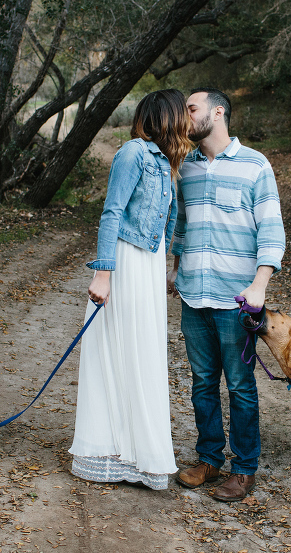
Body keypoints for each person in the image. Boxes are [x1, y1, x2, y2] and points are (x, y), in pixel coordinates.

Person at [69, 89, 194, 490]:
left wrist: (172, 266)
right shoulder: (133, 154)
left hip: (149, 264)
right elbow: (112, 212)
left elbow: (169, 220)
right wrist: (103, 274)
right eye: (184, 113)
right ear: (169, 117)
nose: (190, 121)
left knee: (142, 353)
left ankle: (139, 455)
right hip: (124, 263)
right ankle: (107, 451)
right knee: (117, 352)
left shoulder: (167, 162)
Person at [167, 87, 286, 501]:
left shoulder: (256, 165)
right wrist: (175, 269)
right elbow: (181, 224)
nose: (184, 117)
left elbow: (272, 230)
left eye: (191, 109)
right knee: (201, 382)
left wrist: (259, 286)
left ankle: (245, 468)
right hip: (193, 297)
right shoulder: (185, 166)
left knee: (239, 385)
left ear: (218, 112)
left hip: (237, 300)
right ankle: (209, 459)